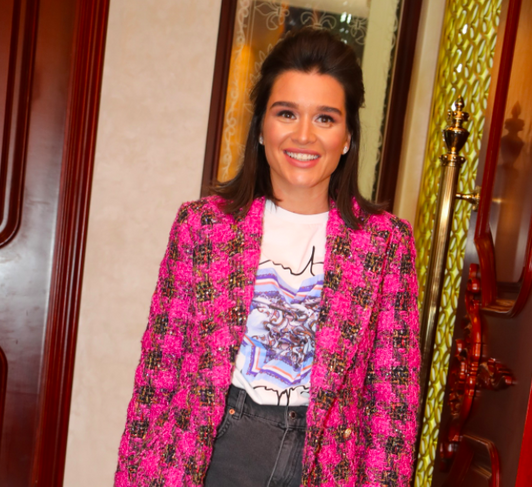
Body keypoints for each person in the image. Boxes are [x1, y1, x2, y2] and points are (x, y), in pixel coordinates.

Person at [115, 28, 420, 487]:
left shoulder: (386, 243)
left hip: (326, 464)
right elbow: (159, 372)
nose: (304, 135)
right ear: (261, 127)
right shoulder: (203, 226)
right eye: (287, 113)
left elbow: (393, 403)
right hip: (215, 451)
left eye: (325, 118)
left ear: (347, 137)